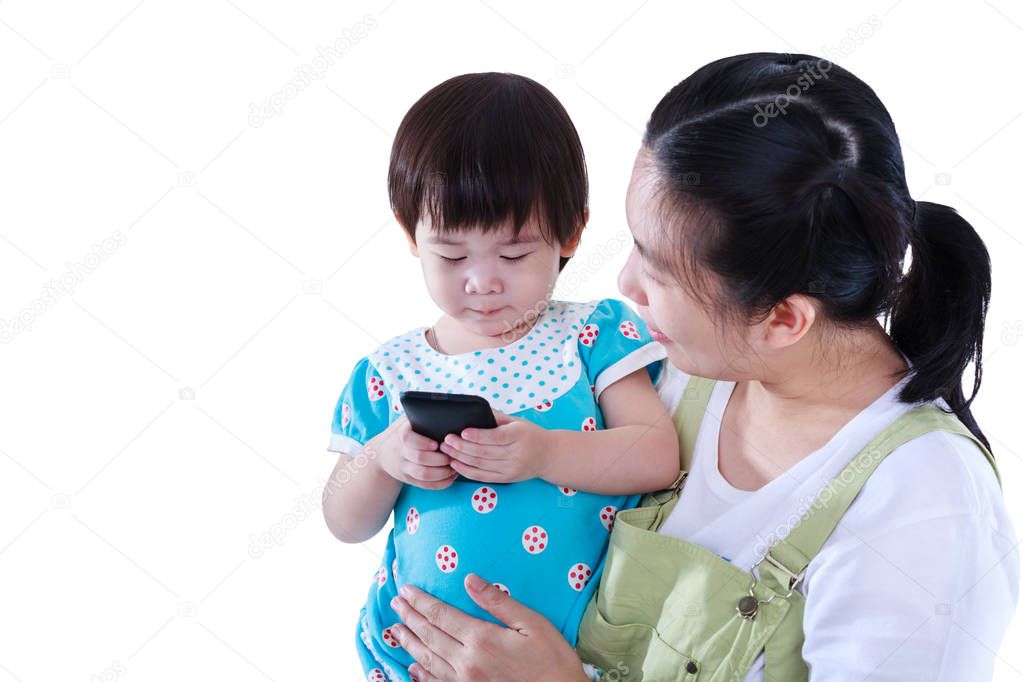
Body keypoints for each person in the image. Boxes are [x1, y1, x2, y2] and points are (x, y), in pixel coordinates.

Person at [384, 53, 1020, 681]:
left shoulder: (924, 506)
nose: (625, 283)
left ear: (782, 319)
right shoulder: (669, 370)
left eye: (657, 270)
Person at [321, 72, 680, 682]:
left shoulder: (591, 334)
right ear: (411, 235)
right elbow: (342, 521)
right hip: (413, 653)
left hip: (567, 655)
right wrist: (384, 457)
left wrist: (542, 451)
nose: (482, 282)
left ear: (571, 233)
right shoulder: (389, 371)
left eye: (513, 255)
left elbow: (656, 455)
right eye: (452, 255)